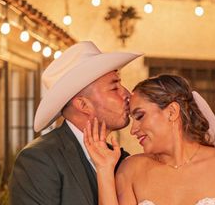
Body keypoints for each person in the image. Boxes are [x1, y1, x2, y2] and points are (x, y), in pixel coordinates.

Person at [83, 74, 215, 205]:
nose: (133, 130)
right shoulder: (130, 170)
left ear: (172, 112)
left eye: (140, 116)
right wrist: (104, 170)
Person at [9, 40, 142, 205]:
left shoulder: (122, 160)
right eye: (114, 88)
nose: (128, 94)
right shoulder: (39, 159)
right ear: (83, 105)